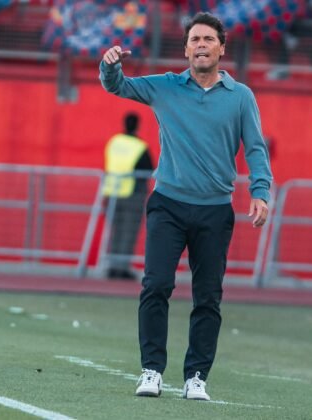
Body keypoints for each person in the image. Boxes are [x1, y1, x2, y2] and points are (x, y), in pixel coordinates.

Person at [100, 12, 273, 401]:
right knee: (156, 285)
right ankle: (151, 371)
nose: (201, 45)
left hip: (215, 211)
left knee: (208, 296)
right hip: (168, 205)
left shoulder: (241, 97)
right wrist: (110, 66)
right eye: (194, 39)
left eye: (208, 39)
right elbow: (118, 86)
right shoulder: (165, 86)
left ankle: (196, 377)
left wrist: (260, 191)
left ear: (221, 48)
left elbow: (255, 148)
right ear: (186, 50)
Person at [102, 112, 153, 280]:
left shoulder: (114, 142)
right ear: (138, 126)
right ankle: (122, 267)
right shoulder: (139, 146)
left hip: (111, 192)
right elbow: (148, 169)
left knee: (116, 231)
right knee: (128, 231)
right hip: (132, 193)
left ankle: (112, 265)